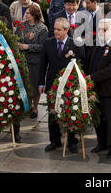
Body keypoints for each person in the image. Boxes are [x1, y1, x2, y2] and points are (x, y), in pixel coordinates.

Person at [39, 17, 84, 153]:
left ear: (66, 30)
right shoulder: (48, 43)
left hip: (69, 85)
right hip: (52, 84)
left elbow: (81, 66)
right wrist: (41, 83)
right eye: (54, 29)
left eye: (59, 29)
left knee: (70, 112)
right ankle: (54, 140)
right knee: (52, 113)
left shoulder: (75, 44)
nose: (55, 32)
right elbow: (43, 65)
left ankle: (72, 141)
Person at [85, 18, 111, 158]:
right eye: (99, 29)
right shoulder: (95, 45)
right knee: (98, 118)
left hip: (109, 90)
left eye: (105, 29)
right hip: (95, 89)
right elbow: (90, 63)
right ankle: (101, 142)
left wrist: (92, 77)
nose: (101, 32)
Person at [15, 4, 48, 118]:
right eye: (25, 13)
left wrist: (27, 47)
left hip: (35, 61)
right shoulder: (21, 26)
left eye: (28, 13)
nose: (25, 15)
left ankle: (35, 107)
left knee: (34, 85)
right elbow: (16, 38)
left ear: (34, 15)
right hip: (22, 60)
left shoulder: (42, 28)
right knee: (25, 85)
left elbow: (43, 47)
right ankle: (27, 106)